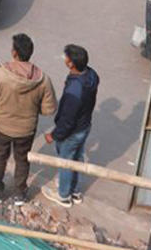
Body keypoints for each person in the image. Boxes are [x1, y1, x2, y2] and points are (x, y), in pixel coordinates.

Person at [0, 33, 57, 205]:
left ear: (14, 53)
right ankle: (19, 193)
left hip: (2, 127)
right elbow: (49, 109)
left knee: (0, 156)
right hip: (26, 130)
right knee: (22, 160)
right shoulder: (43, 80)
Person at [43, 44, 99, 208]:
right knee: (77, 157)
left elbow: (67, 121)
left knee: (66, 162)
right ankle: (74, 190)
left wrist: (52, 135)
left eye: (66, 57)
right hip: (84, 126)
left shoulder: (75, 91)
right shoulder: (91, 75)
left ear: (71, 64)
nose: (64, 58)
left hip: (73, 131)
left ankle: (64, 195)